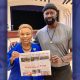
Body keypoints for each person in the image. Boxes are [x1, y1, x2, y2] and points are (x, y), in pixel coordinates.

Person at [35, 3, 72, 80]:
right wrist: (18, 44)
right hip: (46, 71)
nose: (49, 15)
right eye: (46, 13)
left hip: (64, 70)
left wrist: (62, 60)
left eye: (51, 13)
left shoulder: (68, 30)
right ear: (43, 15)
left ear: (56, 14)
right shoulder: (39, 33)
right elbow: (34, 49)